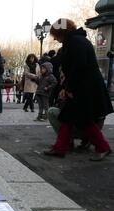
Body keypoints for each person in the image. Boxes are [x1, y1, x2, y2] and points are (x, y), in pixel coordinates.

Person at [44, 18, 113, 161]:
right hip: (82, 86)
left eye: (56, 35)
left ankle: (103, 147)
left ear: (62, 32)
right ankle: (60, 147)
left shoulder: (76, 42)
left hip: (85, 88)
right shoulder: (75, 41)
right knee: (68, 117)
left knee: (83, 119)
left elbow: (79, 67)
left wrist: (69, 88)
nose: (55, 38)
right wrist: (66, 87)